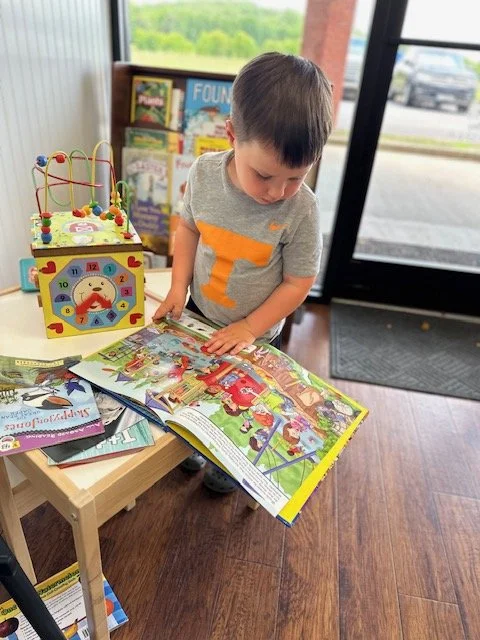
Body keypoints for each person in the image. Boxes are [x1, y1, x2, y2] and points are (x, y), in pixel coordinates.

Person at [153, 51, 333, 492]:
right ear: (232, 136)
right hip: (199, 309)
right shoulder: (204, 173)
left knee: (238, 400)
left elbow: (298, 282)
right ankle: (195, 444)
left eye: (296, 177)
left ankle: (227, 460)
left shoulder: (302, 209)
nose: (279, 192)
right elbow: (188, 228)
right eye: (265, 175)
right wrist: (178, 286)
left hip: (256, 330)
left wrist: (251, 328)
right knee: (195, 387)